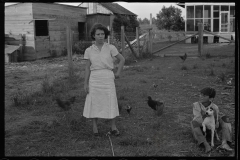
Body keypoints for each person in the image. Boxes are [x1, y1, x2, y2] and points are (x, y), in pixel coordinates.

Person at [83, 23, 125, 137]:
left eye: (102, 34)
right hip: (94, 79)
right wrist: (85, 83)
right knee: (95, 101)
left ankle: (113, 127)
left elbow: (122, 59)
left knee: (110, 100)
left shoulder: (110, 47)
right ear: (93, 35)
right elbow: (87, 67)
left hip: (107, 77)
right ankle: (95, 128)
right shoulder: (89, 50)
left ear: (105, 35)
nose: (101, 36)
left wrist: (118, 73)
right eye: (98, 34)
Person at [190, 87, 233, 153]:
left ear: (211, 98)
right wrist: (207, 116)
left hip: (212, 129)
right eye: (200, 94)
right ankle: (206, 144)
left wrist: (216, 120)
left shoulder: (215, 107)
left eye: (204, 95)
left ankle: (225, 143)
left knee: (225, 118)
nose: (201, 96)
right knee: (193, 122)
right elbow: (198, 119)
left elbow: (216, 121)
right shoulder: (196, 105)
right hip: (201, 130)